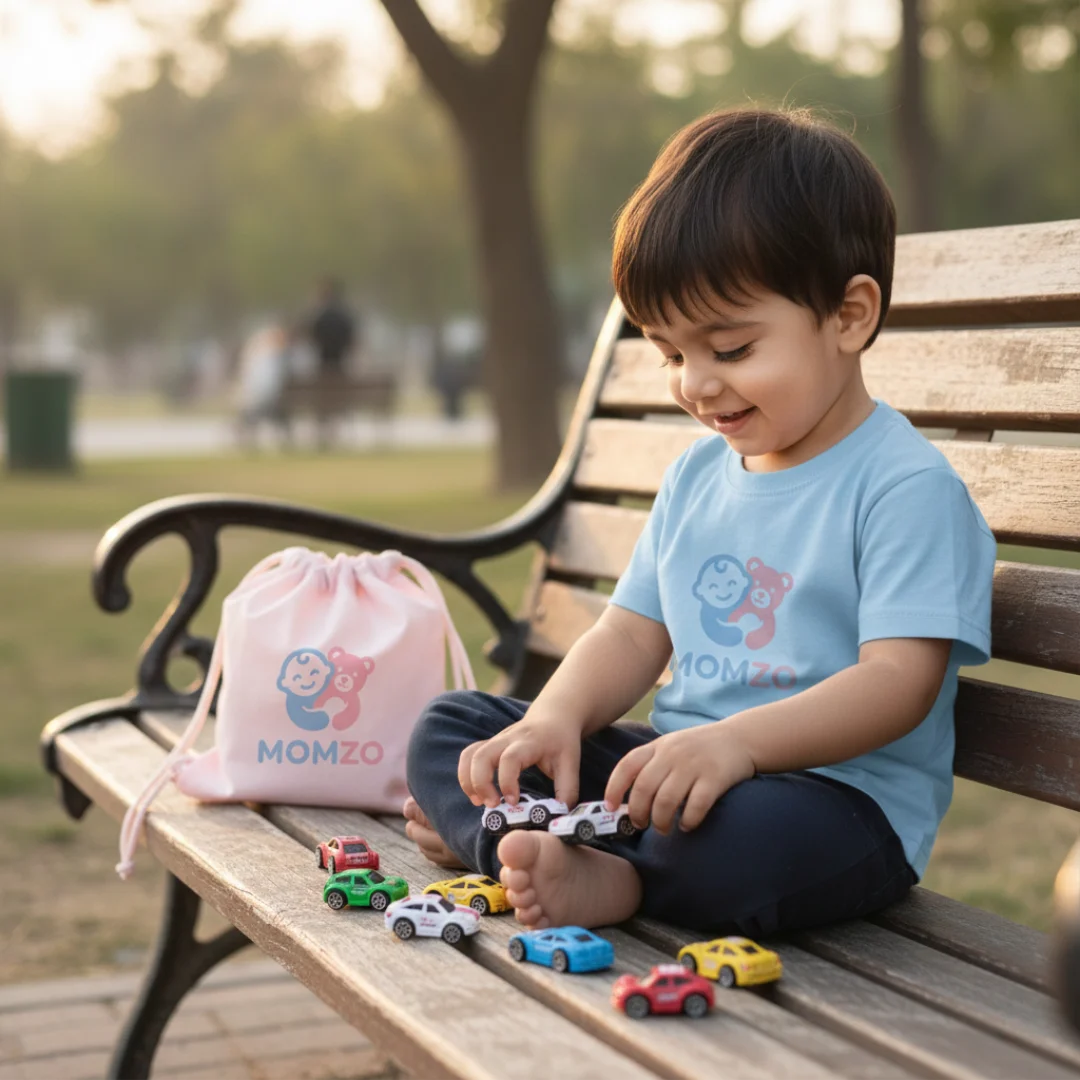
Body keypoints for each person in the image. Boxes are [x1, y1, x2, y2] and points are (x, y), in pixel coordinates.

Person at [402, 107, 997, 937]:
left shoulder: (904, 488)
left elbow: (898, 683)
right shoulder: (696, 477)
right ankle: (522, 838)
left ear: (850, 316)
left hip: (833, 804)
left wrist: (739, 747)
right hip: (675, 777)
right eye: (672, 353)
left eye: (732, 348)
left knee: (744, 843)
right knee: (455, 730)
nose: (698, 385)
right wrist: (555, 718)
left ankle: (595, 874)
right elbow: (629, 635)